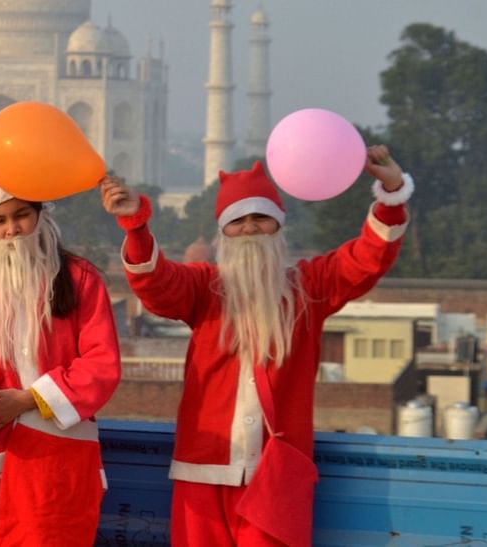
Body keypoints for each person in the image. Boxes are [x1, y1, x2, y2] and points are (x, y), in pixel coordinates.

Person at [100, 149, 412, 547]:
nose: (249, 229)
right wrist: (136, 227)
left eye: (260, 218)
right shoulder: (203, 288)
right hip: (204, 469)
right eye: (237, 221)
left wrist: (391, 191)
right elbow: (157, 285)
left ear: (277, 227)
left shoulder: (309, 287)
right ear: (222, 233)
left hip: (277, 476)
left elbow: (367, 258)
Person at [0, 160, 121, 547]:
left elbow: (101, 363)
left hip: (60, 455)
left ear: (41, 214)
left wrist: (31, 398)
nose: (12, 230)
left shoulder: (80, 278)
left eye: (21, 215)